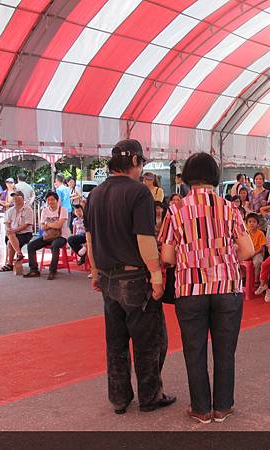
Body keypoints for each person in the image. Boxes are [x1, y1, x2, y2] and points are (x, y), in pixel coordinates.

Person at [159, 152, 253, 424]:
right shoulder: (230, 208)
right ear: (214, 177)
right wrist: (222, 253)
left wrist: (191, 255)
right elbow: (247, 250)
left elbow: (166, 257)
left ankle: (201, 409)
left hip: (189, 290)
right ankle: (223, 407)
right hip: (227, 287)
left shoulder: (176, 210)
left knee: (194, 349)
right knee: (225, 350)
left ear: (187, 178)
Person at [86, 139, 174, 415]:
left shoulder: (96, 194)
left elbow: (90, 237)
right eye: (141, 163)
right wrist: (156, 275)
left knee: (116, 342)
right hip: (135, 277)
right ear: (135, 161)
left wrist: (95, 270)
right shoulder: (140, 193)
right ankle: (150, 396)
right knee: (150, 341)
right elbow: (145, 238)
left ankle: (119, 398)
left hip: (109, 278)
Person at [23, 191, 70, 280]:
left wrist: (48, 224)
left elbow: (59, 225)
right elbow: (42, 227)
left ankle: (52, 270)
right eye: (48, 200)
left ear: (57, 200)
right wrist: (52, 224)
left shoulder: (63, 210)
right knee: (31, 246)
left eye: (52, 199)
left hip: (61, 236)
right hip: (48, 236)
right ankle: (34, 270)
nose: (50, 202)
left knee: (55, 245)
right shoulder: (44, 211)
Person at [0, 191, 33, 272]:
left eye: (17, 197)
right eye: (14, 197)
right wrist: (8, 229)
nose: (15, 199)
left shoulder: (28, 210)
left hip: (25, 233)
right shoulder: (10, 210)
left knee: (10, 241)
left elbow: (27, 225)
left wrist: (13, 230)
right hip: (12, 233)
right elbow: (7, 222)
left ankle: (10, 263)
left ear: (22, 198)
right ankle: (19, 253)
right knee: (10, 236)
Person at [245, 213, 267, 288]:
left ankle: (256, 279)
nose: (252, 224)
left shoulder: (260, 233)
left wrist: (253, 254)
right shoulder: (246, 233)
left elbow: (261, 248)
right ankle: (244, 278)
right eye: (250, 222)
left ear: (257, 223)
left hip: (257, 253)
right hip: (248, 252)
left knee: (258, 261)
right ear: (246, 223)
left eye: (254, 222)